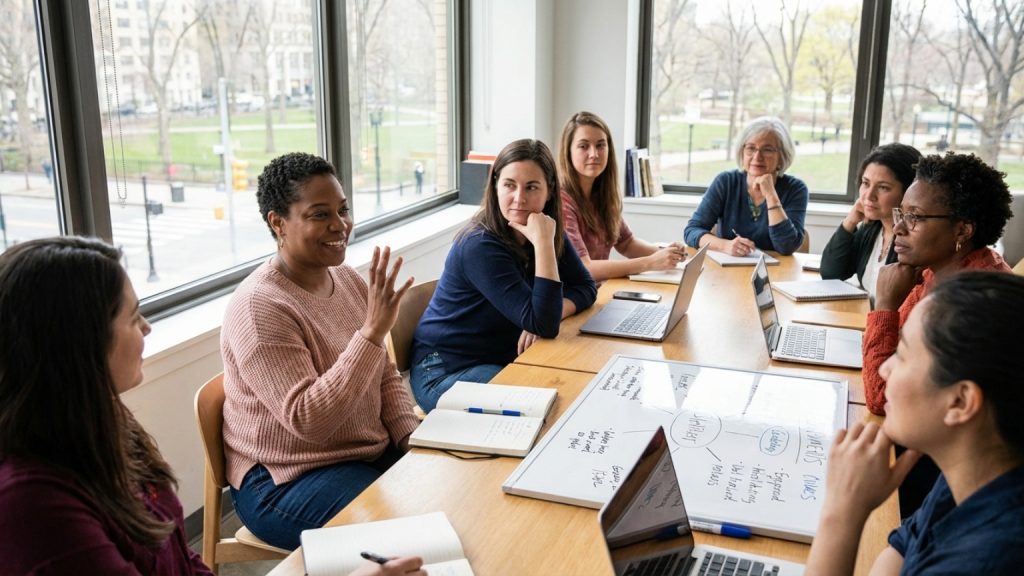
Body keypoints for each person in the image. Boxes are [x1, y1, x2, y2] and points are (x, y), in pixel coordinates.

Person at [220, 152, 421, 551]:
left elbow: (382, 376)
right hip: (284, 479)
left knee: (452, 490)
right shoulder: (260, 307)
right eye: (319, 214)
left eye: (343, 209)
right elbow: (310, 421)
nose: (339, 225)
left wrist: (410, 439)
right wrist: (371, 333)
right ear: (278, 222)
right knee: (407, 535)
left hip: (358, 453)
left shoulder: (344, 278)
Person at [0, 237, 212, 574]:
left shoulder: (99, 422)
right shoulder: (34, 507)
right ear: (80, 343)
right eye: (132, 318)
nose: (147, 326)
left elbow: (180, 557)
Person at [805, 272, 1024, 575]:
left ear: (960, 403)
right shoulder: (971, 470)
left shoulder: (987, 560)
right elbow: (903, 549)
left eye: (903, 355)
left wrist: (842, 511)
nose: (883, 369)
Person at [410, 139, 597, 412]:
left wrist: (546, 312)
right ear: (496, 185)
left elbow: (585, 287)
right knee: (550, 400)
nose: (519, 198)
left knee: (576, 382)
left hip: (497, 358)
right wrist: (544, 246)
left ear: (549, 191)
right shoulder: (479, 245)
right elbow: (543, 323)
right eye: (509, 185)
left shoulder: (544, 227)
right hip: (445, 373)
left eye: (531, 187)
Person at [863, 152, 1013, 415]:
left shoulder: (975, 304)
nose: (898, 228)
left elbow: (883, 398)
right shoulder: (933, 271)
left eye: (916, 217)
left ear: (963, 230)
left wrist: (885, 305)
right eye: (902, 213)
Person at [557, 111, 686, 282]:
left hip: (599, 292)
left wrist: (666, 253)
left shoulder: (601, 195)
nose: (594, 154)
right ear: (568, 151)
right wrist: (649, 263)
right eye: (583, 146)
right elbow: (583, 268)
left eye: (601, 145)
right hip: (572, 300)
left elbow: (627, 243)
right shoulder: (562, 203)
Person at [683, 116, 808, 256]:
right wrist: (725, 245)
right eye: (751, 148)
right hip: (727, 270)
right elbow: (692, 231)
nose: (757, 156)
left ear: (782, 155)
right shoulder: (726, 182)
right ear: (742, 152)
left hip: (777, 272)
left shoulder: (796, 189)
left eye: (767, 149)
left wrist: (771, 195)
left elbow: (787, 246)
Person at [820, 143, 921, 298]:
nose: (869, 195)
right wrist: (850, 222)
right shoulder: (872, 227)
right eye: (866, 183)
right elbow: (831, 273)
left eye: (883, 187)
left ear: (909, 191)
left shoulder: (913, 239)